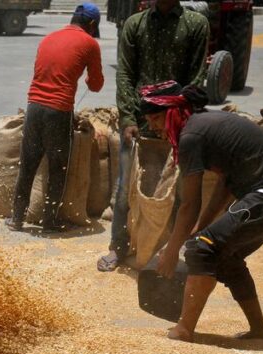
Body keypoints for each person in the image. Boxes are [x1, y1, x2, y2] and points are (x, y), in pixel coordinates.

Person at [140, 81, 263, 343]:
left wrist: (173, 250)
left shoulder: (191, 136)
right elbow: (225, 184)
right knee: (224, 255)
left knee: (202, 247)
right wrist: (201, 228)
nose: (153, 126)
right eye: (149, 120)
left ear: (173, 111)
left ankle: (184, 329)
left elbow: (189, 204)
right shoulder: (201, 126)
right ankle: (259, 331)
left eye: (156, 118)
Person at [97, 0, 209, 271]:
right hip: (138, 123)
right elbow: (125, 73)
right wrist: (126, 117)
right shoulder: (135, 25)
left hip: (177, 125)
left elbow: (196, 77)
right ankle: (118, 247)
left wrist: (177, 119)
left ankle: (169, 252)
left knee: (176, 193)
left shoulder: (195, 25)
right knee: (125, 190)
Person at [5, 3, 103, 232]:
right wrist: (87, 80)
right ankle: (49, 222)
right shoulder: (89, 43)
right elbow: (96, 84)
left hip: (34, 107)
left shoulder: (48, 38)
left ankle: (17, 218)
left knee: (28, 165)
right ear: (91, 24)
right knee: (57, 167)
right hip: (58, 111)